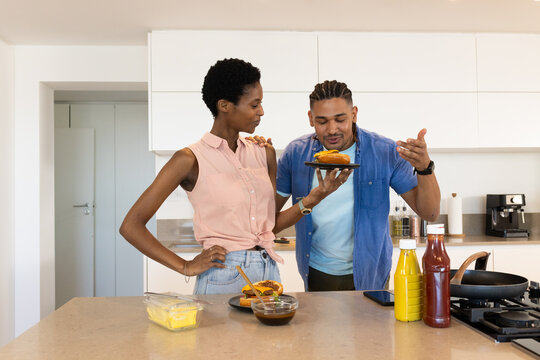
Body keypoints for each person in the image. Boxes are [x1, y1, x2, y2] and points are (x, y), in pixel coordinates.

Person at [119, 60, 351, 295]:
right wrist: (186, 266)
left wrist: (314, 198)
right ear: (225, 106)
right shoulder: (190, 159)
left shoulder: (264, 152)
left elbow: (271, 224)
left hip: (268, 272)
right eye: (254, 104)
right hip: (222, 275)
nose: (261, 111)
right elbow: (131, 226)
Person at [273, 80, 441, 291]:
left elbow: (430, 212)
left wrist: (425, 167)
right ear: (310, 118)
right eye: (322, 121)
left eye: (340, 119)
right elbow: (268, 224)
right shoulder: (296, 154)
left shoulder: (384, 151)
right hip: (315, 273)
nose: (332, 129)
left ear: (354, 114)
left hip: (372, 276)